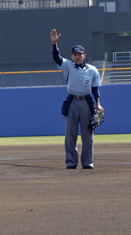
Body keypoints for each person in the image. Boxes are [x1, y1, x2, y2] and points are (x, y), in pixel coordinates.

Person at [50, 29, 104, 169]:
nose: (77, 56)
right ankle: (71, 162)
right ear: (72, 56)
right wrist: (54, 44)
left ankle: (87, 162)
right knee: (70, 135)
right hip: (72, 101)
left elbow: (95, 89)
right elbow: (57, 58)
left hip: (86, 102)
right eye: (75, 54)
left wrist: (98, 103)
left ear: (84, 55)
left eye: (79, 54)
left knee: (88, 135)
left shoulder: (92, 70)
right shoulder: (68, 65)